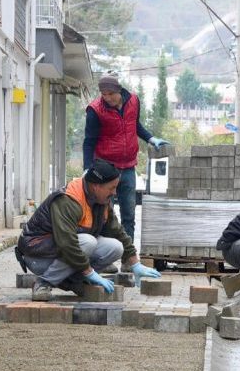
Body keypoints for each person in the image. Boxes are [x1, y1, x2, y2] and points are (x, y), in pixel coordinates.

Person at [17, 159, 162, 301]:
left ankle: (74, 281)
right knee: (88, 242)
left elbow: (117, 232)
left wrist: (135, 263)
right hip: (37, 255)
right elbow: (67, 244)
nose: (115, 192)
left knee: (115, 247)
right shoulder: (68, 200)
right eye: (111, 188)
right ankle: (43, 283)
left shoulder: (102, 201)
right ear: (96, 186)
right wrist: (90, 273)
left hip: (63, 251)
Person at [83, 74, 169, 241]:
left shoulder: (134, 101)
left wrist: (151, 138)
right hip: (106, 169)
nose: (107, 98)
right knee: (104, 214)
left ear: (119, 91)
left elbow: (135, 125)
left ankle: (127, 257)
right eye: (103, 94)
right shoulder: (95, 110)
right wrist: (87, 168)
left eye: (110, 94)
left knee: (129, 214)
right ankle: (105, 259)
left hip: (128, 167)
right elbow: (89, 142)